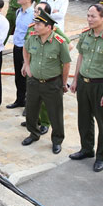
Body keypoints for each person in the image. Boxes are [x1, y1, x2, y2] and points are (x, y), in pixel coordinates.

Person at [70, 3, 103, 172]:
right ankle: (87, 149)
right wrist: (75, 79)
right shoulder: (86, 35)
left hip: (101, 85)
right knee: (84, 119)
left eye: (93, 16)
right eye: (88, 16)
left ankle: (102, 156)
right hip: (84, 84)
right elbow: (81, 57)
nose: (89, 19)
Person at [21, 10, 72, 154]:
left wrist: (63, 83)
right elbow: (25, 50)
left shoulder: (59, 42)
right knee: (31, 111)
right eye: (35, 24)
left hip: (52, 83)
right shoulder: (32, 37)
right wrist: (27, 65)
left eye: (38, 24)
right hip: (34, 82)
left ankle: (57, 140)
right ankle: (33, 134)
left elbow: (66, 63)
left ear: (48, 27)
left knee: (55, 113)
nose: (35, 27)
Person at [6, 0, 37, 110]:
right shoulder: (19, 11)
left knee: (28, 77)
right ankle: (19, 100)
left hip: (27, 50)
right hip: (17, 47)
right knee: (18, 75)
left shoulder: (33, 15)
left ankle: (29, 105)